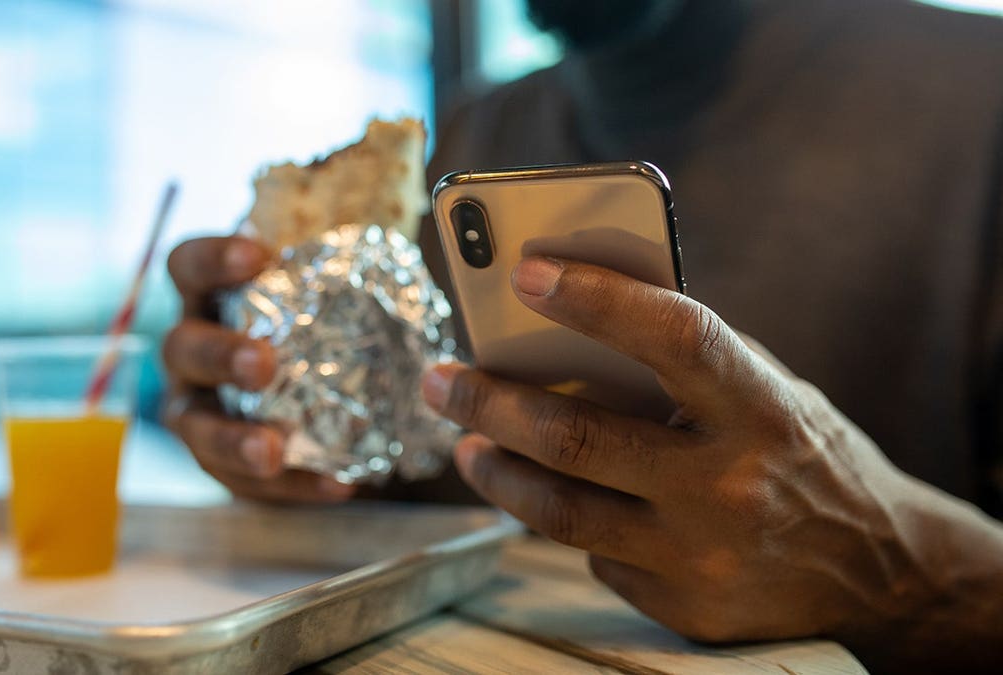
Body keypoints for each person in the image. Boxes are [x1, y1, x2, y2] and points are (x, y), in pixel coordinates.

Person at [161, 0, 1003, 671]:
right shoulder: (468, 136)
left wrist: (904, 578)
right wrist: (283, 445)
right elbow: (425, 479)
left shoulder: (978, 95)